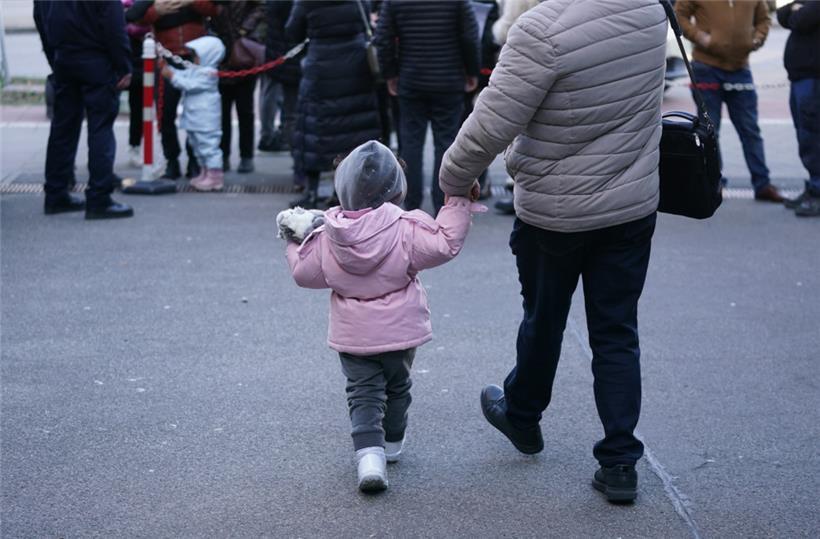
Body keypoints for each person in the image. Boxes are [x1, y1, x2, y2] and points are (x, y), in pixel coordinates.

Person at [439, 0, 667, 503]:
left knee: (544, 317)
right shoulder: (651, 11)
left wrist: (454, 177)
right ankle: (620, 461)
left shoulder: (542, 30)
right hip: (631, 205)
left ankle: (522, 416)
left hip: (556, 209)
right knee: (616, 331)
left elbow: (492, 123)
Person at [280, 140, 479, 492]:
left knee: (363, 393)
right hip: (401, 331)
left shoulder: (328, 235)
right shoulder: (405, 229)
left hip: (353, 335)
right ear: (397, 189)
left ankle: (369, 458)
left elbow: (303, 274)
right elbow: (446, 242)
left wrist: (295, 240)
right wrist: (458, 202)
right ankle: (392, 442)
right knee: (398, 386)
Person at [374, 0, 480, 216]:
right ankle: (443, 203)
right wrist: (472, 70)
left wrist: (390, 74)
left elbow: (383, 39)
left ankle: (411, 204)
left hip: (411, 79)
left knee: (411, 143)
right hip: (448, 80)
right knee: (446, 142)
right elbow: (470, 37)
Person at [675, 0, 784, 203]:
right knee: (710, 131)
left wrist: (756, 40)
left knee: (750, 130)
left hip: (740, 69)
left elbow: (763, 19)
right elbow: (679, 15)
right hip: (706, 68)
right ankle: (714, 184)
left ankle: (762, 183)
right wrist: (702, 38)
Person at [34, 0, 134, 220]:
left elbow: (40, 19)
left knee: (62, 129)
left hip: (64, 59)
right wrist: (123, 66)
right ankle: (99, 198)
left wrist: (55, 57)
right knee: (100, 129)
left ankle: (56, 193)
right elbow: (114, 28)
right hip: (96, 61)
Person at [285, 0, 382, 210]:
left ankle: (311, 191)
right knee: (351, 130)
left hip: (321, 65)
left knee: (314, 132)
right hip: (355, 66)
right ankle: (341, 193)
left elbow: (292, 30)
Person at [127, 0, 220, 181]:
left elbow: (216, 10)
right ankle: (172, 160)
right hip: (166, 58)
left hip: (195, 59)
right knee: (164, 112)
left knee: (198, 115)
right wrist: (158, 10)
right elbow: (135, 18)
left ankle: (195, 160)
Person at [489, 0, 540, 216]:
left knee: (521, 127)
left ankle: (520, 188)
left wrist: (494, 28)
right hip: (542, 55)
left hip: (524, 58)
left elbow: (508, 26)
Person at [161, 36, 226, 192]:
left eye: (197, 55)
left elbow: (189, 84)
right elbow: (184, 75)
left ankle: (215, 175)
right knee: (197, 147)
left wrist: (171, 75)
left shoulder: (209, 73)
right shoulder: (197, 69)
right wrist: (170, 69)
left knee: (209, 147)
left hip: (206, 120)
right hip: (195, 118)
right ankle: (205, 172)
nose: (194, 58)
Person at [777, 1, 820, 218]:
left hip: (813, 78)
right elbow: (783, 15)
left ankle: (818, 191)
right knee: (805, 135)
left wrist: (798, 11)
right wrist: (796, 9)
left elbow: (803, 19)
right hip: (801, 77)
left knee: (813, 136)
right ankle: (813, 187)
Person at [211, 0, 265, 174]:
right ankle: (223, 155)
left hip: (243, 52)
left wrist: (245, 29)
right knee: (221, 113)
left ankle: (246, 157)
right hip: (220, 51)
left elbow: (261, 7)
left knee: (245, 111)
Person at [258, 0, 301, 158]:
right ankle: (274, 135)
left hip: (276, 46)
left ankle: (269, 133)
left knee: (271, 91)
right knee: (290, 106)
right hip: (291, 49)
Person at [123, 0, 151, 168]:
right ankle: (99, 151)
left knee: (139, 107)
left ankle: (136, 146)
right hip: (121, 54)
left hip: (145, 57)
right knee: (105, 109)